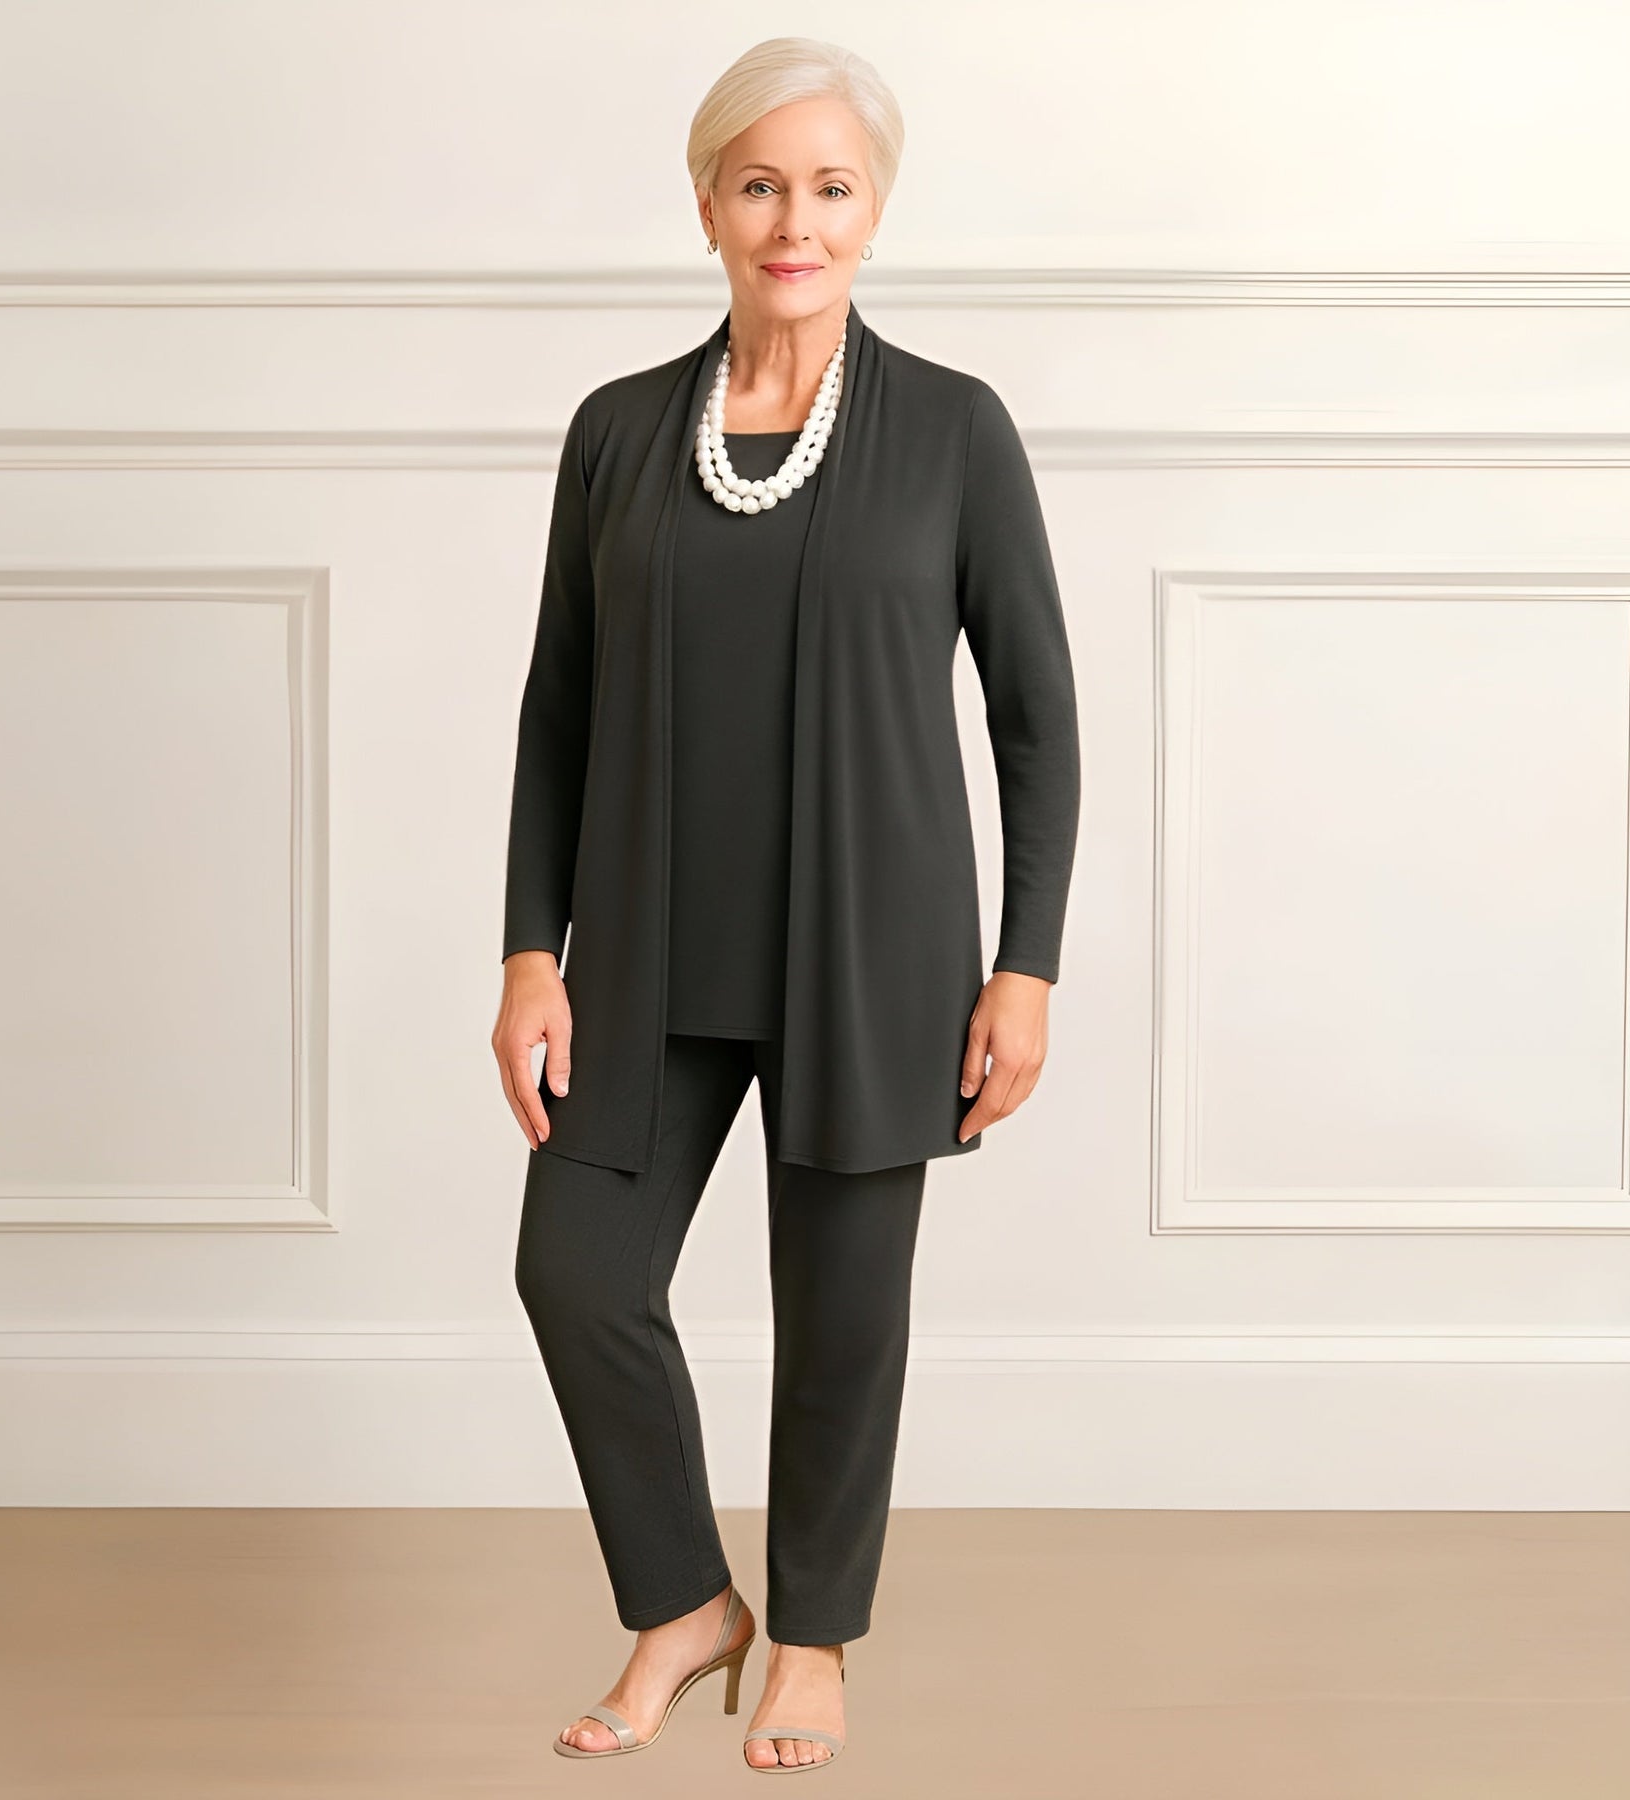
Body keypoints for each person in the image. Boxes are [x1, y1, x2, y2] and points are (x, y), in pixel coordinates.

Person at [492, 35, 1080, 1773]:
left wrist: (1027, 966)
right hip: (644, 955)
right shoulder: (618, 432)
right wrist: (530, 950)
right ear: (707, 207)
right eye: (760, 185)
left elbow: (1038, 720)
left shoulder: (954, 431)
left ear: (875, 211)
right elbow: (556, 710)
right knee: (573, 1271)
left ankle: (812, 1637)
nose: (795, 221)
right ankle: (686, 1606)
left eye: (831, 187)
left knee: (841, 1322)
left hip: (871, 960)